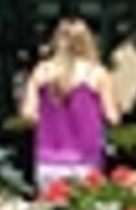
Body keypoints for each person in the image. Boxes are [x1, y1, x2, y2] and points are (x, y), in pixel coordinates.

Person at [22, 15, 119, 189]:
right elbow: (112, 117)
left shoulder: (41, 72)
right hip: (86, 159)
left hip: (48, 160)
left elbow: (28, 114)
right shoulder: (97, 74)